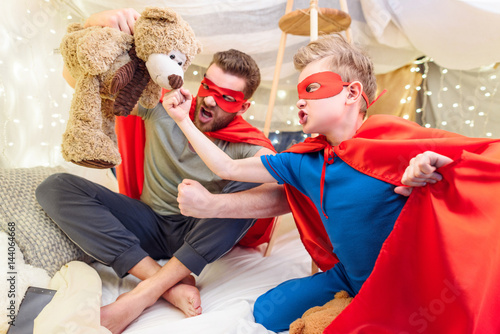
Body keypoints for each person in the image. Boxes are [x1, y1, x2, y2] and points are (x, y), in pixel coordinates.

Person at [164, 31, 500, 333]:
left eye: (311, 88)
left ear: (352, 92)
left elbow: (473, 160)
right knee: (265, 312)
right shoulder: (302, 160)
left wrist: (433, 169)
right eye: (299, 90)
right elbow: (227, 167)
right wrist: (183, 120)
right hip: (349, 277)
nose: (299, 100)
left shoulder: (391, 139)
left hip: (401, 283)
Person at [36, 8, 289, 334]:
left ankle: (141, 296)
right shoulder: (165, 104)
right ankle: (165, 283)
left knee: (251, 189)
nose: (210, 101)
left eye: (227, 97)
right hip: (150, 224)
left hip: (198, 235)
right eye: (209, 86)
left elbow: (279, 190)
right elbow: (80, 79)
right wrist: (93, 24)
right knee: (55, 186)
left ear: (243, 107)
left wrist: (213, 205)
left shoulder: (246, 143)